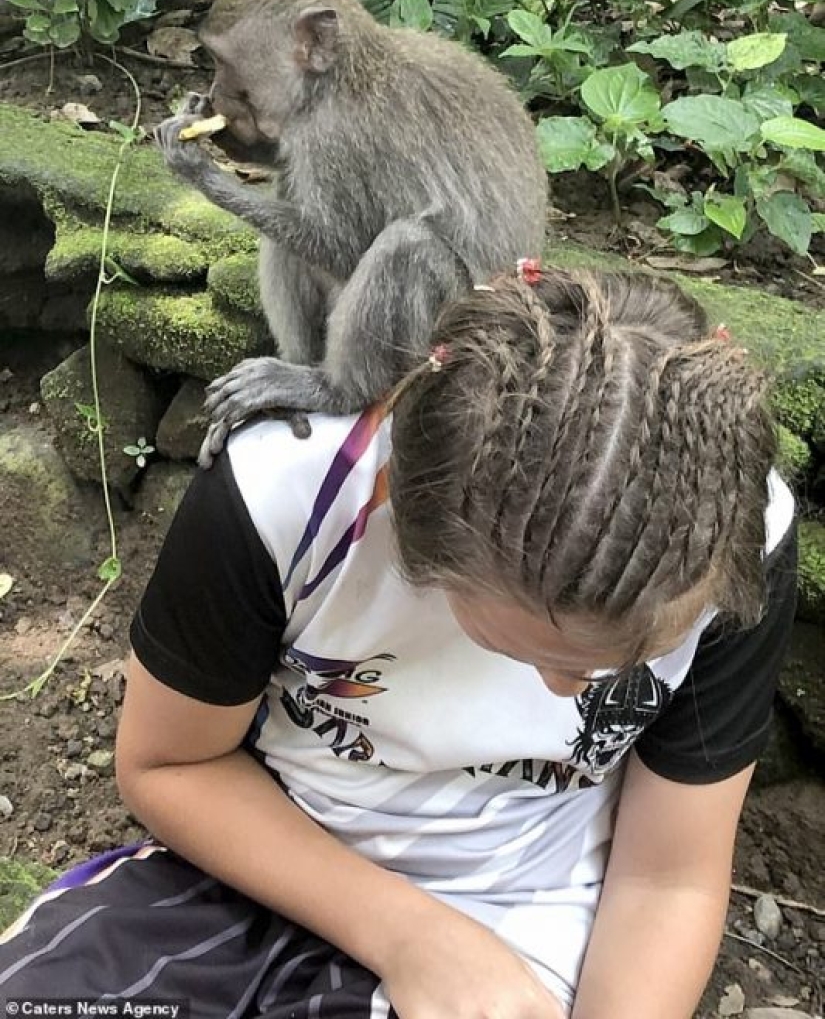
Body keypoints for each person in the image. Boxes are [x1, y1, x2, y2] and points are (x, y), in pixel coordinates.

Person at [0, 264, 797, 1019]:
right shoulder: (293, 490)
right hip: (256, 856)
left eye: (619, 662)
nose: (570, 694)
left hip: (523, 909)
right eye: (529, 654)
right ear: (411, 535)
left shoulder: (731, 526)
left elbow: (667, 878)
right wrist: (413, 936)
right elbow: (171, 762)